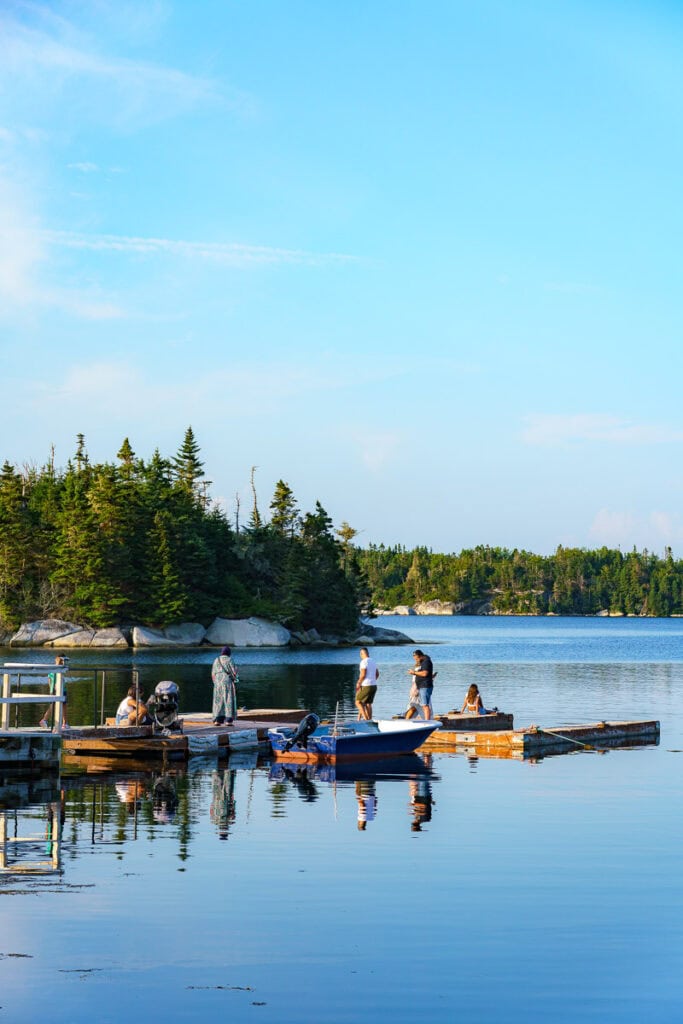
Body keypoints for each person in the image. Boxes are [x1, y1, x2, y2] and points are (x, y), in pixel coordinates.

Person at [39, 655, 68, 730]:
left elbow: (51, 679)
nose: (63, 662)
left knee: (59, 706)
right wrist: (52, 689)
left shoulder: (60, 668)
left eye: (64, 661)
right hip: (58, 690)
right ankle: (63, 723)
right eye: (62, 660)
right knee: (57, 706)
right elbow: (50, 679)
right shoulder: (55, 668)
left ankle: (64, 723)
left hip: (61, 689)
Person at [212, 646, 238, 725]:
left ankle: (217, 720)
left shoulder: (216, 660)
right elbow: (234, 672)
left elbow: (213, 673)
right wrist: (235, 676)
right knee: (228, 700)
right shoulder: (230, 659)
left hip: (217, 682)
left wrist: (215, 682)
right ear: (229, 652)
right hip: (227, 682)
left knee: (218, 701)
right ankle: (228, 720)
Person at [406, 649, 434, 720]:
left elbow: (425, 673)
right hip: (421, 687)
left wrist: (414, 672)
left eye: (416, 658)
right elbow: (426, 674)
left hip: (423, 687)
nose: (416, 660)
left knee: (424, 705)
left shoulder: (425, 662)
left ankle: (427, 721)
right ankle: (427, 720)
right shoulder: (424, 662)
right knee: (419, 705)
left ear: (420, 656)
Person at [355, 646, 379, 721]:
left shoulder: (363, 662)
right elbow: (377, 674)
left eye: (360, 654)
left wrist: (358, 683)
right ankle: (369, 720)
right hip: (374, 686)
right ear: (368, 653)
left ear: (361, 654)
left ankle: (365, 719)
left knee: (357, 702)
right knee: (368, 704)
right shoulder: (373, 661)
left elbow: (363, 675)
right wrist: (372, 680)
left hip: (366, 685)